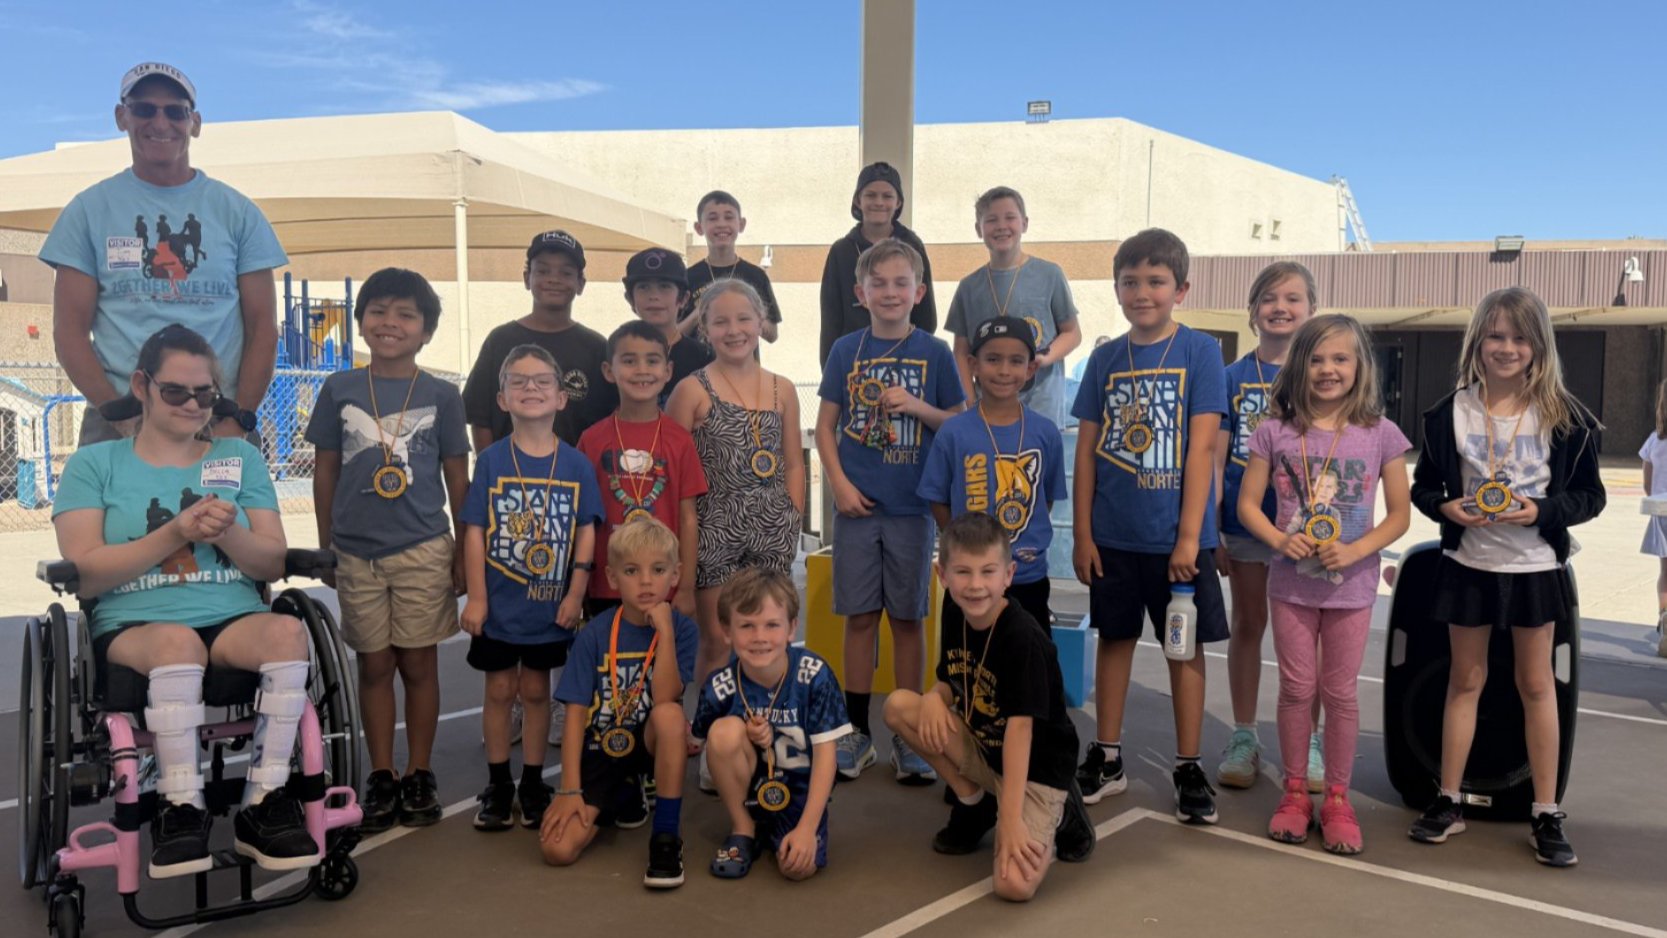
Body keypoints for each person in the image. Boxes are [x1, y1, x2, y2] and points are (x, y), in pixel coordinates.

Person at [52, 324, 314, 877]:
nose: (193, 405)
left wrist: (228, 535)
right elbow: (88, 575)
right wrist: (174, 534)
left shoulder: (240, 458)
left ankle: (264, 802)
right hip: (136, 621)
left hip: (230, 613)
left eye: (206, 395)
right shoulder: (94, 465)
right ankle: (180, 807)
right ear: (142, 385)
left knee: (289, 632)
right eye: (177, 392)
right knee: (176, 644)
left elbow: (271, 562)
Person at [1407, 287, 1605, 868]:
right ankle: (1447, 800)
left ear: (1538, 346)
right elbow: (1425, 487)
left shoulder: (1565, 415)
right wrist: (1444, 508)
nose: (1506, 347)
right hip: (1468, 565)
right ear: (1477, 342)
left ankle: (1546, 811)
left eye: (1519, 337)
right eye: (1495, 335)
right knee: (1464, 681)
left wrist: (1540, 512)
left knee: (1537, 685)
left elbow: (1590, 497)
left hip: (1534, 569)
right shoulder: (1449, 413)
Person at [1069, 228, 1229, 823]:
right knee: (1113, 641)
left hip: (1177, 545)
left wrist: (1190, 536)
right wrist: (1083, 535)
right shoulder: (1106, 359)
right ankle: (1108, 757)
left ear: (1180, 288)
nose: (1142, 292)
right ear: (1116, 288)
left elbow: (1202, 448)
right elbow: (1086, 450)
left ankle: (1189, 764)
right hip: (1112, 537)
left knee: (1182, 652)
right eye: (1130, 281)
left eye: (1155, 281)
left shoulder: (1200, 352)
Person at [1234, 315, 1411, 855]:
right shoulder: (1274, 430)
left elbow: (1400, 515)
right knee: (1295, 689)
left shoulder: (1380, 432)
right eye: (1316, 359)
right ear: (1298, 365)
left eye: (1341, 359)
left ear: (1360, 367)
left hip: (1352, 588)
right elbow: (1247, 505)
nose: (1328, 369)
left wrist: (1357, 550)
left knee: (1339, 693)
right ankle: (1294, 793)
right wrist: (1279, 541)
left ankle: (1336, 797)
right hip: (1291, 586)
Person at [305, 268, 469, 832]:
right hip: (355, 554)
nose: (390, 323)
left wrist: (462, 551)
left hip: (424, 547)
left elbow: (457, 479)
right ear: (361, 322)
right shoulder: (339, 389)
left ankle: (418, 771)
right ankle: (382, 772)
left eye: (405, 314)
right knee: (374, 664)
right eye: (378, 311)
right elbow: (324, 470)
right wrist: (326, 543)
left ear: (426, 330)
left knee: (418, 661)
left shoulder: (443, 395)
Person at [42, 63, 284, 445]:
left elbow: (263, 329)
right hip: (120, 421)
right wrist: (117, 415)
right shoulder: (88, 212)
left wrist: (239, 418)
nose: (160, 122)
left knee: (226, 510)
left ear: (195, 123)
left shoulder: (239, 213)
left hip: (217, 422)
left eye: (175, 111)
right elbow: (69, 331)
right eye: (144, 109)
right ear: (122, 117)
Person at [883, 513, 1094, 902]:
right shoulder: (954, 607)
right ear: (942, 575)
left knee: (1012, 886)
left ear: (1008, 574)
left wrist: (1011, 823)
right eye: (963, 572)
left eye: (987, 571)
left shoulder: (1022, 638)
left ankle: (1062, 812)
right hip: (987, 749)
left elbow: (1020, 732)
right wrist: (933, 698)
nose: (976, 585)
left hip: (1037, 770)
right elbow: (951, 677)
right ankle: (974, 804)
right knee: (900, 706)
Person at [816, 238, 966, 784]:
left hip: (911, 508)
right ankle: (857, 733)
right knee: (859, 619)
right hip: (857, 510)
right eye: (878, 283)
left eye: (901, 283)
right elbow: (825, 428)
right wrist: (837, 484)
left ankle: (908, 735)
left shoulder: (934, 353)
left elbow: (957, 422)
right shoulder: (844, 351)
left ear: (918, 292)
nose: (889, 292)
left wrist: (917, 406)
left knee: (907, 620)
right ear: (860, 293)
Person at [461, 345, 603, 832]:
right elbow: (475, 530)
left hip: (550, 605)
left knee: (538, 691)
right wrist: (477, 597)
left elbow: (587, 528)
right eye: (518, 382)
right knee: (500, 689)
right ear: (501, 399)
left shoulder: (577, 465)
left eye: (542, 381)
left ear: (562, 397)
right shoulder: (492, 461)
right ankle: (499, 784)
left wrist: (575, 593)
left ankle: (533, 781)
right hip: (499, 603)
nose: (531, 389)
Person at [667, 281, 804, 740]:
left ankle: (770, 729)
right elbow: (673, 473)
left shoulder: (783, 388)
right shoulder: (690, 390)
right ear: (704, 327)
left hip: (771, 532)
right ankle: (713, 734)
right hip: (714, 530)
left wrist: (791, 518)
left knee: (767, 639)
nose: (734, 330)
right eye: (720, 321)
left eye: (743, 319)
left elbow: (792, 462)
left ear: (761, 321)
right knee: (719, 641)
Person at [542, 518, 700, 889]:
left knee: (671, 716)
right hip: (602, 747)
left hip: (648, 741)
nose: (646, 581)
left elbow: (665, 698)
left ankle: (665, 836)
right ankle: (625, 791)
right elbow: (575, 714)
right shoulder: (594, 633)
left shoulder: (682, 630)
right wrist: (569, 790)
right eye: (632, 571)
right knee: (557, 850)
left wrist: (664, 634)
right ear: (612, 578)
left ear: (675, 574)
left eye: (658, 570)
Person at [1213, 261, 1321, 792]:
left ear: (1312, 310)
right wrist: (1212, 527)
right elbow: (1214, 458)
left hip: (1311, 531)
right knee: (1249, 624)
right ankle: (1244, 733)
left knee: (1305, 637)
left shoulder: (1323, 376)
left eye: (1293, 298)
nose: (1281, 307)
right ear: (1253, 310)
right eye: (1270, 298)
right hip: (1246, 523)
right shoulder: (1229, 378)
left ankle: (1313, 740)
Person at [693, 568, 849, 881]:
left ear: (792, 628)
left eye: (772, 625)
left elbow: (826, 757)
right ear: (727, 631)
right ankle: (743, 827)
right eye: (746, 626)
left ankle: (797, 825)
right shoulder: (719, 685)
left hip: (799, 794)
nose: (760, 637)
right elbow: (701, 742)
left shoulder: (814, 675)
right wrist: (743, 730)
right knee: (722, 733)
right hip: (751, 786)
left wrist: (806, 829)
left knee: (797, 869)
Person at [919, 316, 1067, 627]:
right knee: (963, 668)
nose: (1003, 370)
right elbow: (937, 499)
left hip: (1027, 577)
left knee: (1028, 667)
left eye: (1015, 361)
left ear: (1030, 368)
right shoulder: (954, 433)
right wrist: (963, 544)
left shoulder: (1045, 433)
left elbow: (1045, 500)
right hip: (968, 581)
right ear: (973, 365)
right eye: (993, 359)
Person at [580, 321, 707, 627]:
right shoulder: (591, 440)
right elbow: (582, 520)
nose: (641, 370)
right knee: (608, 668)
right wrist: (579, 584)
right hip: (608, 584)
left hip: (663, 584)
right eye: (629, 360)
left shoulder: (679, 440)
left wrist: (686, 586)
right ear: (609, 371)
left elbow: (688, 517)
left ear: (668, 370)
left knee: (662, 668)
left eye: (652, 360)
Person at [464, 230, 616, 449]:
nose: (554, 280)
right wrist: (488, 468)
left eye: (565, 273)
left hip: (574, 477)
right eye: (543, 271)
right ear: (527, 278)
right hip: (508, 476)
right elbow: (480, 416)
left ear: (581, 283)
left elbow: (607, 420)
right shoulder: (500, 340)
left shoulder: (596, 346)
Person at [944, 187, 1082, 426]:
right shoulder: (968, 287)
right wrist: (968, 402)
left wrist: (1043, 359)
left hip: (1042, 406)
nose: (1001, 226)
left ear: (1024, 223)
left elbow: (1072, 333)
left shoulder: (1049, 274)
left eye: (1010, 217)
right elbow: (961, 351)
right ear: (979, 229)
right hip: (988, 407)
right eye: (991, 220)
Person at [819, 162, 937, 367]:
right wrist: (830, 370)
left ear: (899, 202)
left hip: (905, 361)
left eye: (887, 196)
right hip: (854, 363)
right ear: (858, 200)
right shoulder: (841, 251)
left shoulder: (913, 246)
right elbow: (831, 320)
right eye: (871, 195)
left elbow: (926, 316)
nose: (879, 202)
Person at [680, 191, 782, 345]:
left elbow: (772, 335)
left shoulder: (756, 276)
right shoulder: (687, 277)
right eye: (713, 218)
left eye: (729, 217)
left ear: (741, 224)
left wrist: (749, 312)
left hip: (745, 367)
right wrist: (699, 312)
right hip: (698, 367)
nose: (721, 224)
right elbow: (673, 336)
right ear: (699, 227)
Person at [622, 248, 711, 403]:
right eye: (643, 287)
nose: (654, 296)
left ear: (683, 298)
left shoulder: (704, 359)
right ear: (630, 299)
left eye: (664, 286)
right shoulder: (617, 353)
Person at [1638, 379, 1667, 657]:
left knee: (1665, 573)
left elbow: (1648, 485)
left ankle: (1665, 616)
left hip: (1662, 514)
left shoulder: (1655, 440)